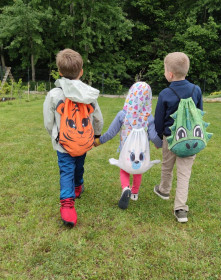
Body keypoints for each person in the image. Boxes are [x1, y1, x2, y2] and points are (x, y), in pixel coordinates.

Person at [43, 48, 103, 227]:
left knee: (66, 170)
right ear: (81, 72)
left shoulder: (54, 94)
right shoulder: (89, 93)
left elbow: (48, 120)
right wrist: (97, 134)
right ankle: (78, 186)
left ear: (60, 72)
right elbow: (97, 117)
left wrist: (54, 135)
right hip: (83, 141)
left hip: (63, 143)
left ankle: (68, 206)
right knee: (78, 165)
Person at [94, 81, 162, 209]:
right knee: (138, 168)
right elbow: (153, 136)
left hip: (126, 150)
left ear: (130, 95)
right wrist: (160, 144)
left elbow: (111, 132)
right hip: (141, 151)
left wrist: (99, 141)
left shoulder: (123, 115)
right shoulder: (149, 117)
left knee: (125, 168)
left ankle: (125, 188)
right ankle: (134, 193)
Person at [154, 52, 203, 223]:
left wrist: (160, 137)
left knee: (167, 166)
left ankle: (164, 190)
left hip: (170, 138)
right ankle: (181, 209)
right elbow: (199, 113)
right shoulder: (196, 90)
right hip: (190, 140)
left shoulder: (165, 94)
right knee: (184, 174)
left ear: (170, 74)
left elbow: (159, 121)